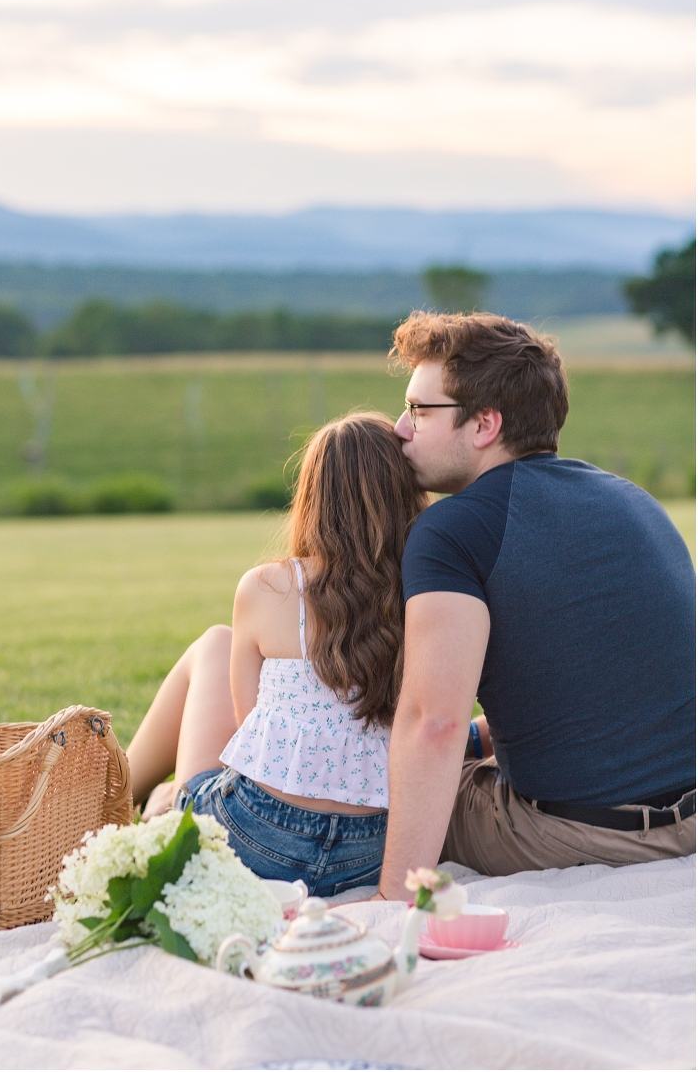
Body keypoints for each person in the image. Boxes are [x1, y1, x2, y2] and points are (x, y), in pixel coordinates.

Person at [375, 311, 696, 899]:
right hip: (689, 821)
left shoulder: (454, 529)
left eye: (421, 410)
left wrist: (391, 897)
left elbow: (433, 723)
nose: (400, 427)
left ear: (484, 424)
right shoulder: (634, 499)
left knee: (371, 782)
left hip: (577, 833)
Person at [126, 412, 428, 897]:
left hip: (255, 834)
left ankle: (128, 787)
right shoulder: (425, 597)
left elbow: (250, 724)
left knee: (214, 642)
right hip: (369, 851)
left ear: (312, 499)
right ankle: (154, 794)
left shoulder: (268, 586)